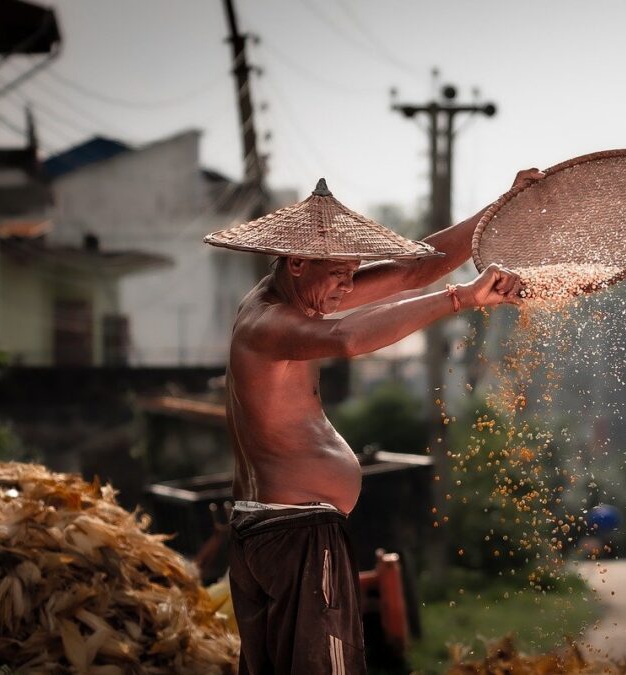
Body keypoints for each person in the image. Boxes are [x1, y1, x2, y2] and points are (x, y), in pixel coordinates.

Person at [206, 169, 542, 674]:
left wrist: (504, 206)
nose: (348, 284)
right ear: (297, 261)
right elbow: (346, 340)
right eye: (340, 272)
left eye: (354, 271)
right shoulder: (269, 322)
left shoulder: (298, 294)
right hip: (293, 533)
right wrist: (462, 299)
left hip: (277, 529)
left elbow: (413, 269)